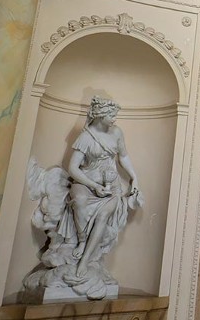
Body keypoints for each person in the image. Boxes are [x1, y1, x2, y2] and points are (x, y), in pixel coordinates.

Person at [64, 96, 142, 278]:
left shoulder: (116, 133)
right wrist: (93, 186)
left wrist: (134, 177)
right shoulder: (86, 136)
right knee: (80, 201)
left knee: (103, 215)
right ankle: (82, 240)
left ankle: (84, 261)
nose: (115, 119)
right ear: (100, 116)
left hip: (110, 185)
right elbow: (73, 168)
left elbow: (123, 156)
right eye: (111, 115)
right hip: (86, 182)